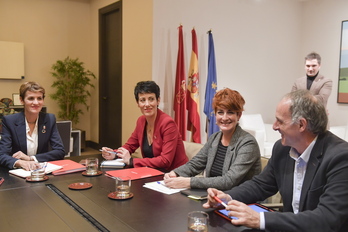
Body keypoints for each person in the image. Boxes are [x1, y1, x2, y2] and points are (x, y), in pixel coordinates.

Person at [203, 90, 348, 232]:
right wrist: (227, 197)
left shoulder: (341, 158)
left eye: (280, 121)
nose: (274, 126)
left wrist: (260, 219)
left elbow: (327, 219)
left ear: (301, 125)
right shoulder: (282, 148)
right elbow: (260, 185)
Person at [163, 88, 261, 190]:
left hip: (242, 201)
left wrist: (189, 182)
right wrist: (175, 173)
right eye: (220, 112)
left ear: (239, 115)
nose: (224, 117)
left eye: (230, 112)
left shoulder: (248, 143)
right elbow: (195, 164)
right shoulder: (215, 138)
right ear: (215, 114)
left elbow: (229, 181)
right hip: (214, 196)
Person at [101, 81, 188, 172]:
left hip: (175, 174)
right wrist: (114, 154)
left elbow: (165, 161)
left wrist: (132, 161)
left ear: (158, 100)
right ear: (138, 103)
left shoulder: (167, 123)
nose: (147, 104)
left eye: (151, 99)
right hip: (153, 172)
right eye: (142, 100)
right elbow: (130, 146)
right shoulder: (141, 121)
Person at [0, 82, 65, 170]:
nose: (36, 102)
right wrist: (20, 162)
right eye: (31, 98)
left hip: (40, 170)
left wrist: (31, 158)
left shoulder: (49, 119)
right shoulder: (9, 121)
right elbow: (2, 155)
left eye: (39, 98)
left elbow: (60, 151)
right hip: (18, 172)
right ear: (22, 100)